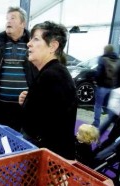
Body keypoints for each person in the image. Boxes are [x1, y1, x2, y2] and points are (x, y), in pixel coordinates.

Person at [18, 21, 77, 160]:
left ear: (53, 46)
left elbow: (31, 123)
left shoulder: (51, 75)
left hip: (50, 157)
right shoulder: (54, 72)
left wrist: (27, 103)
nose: (29, 43)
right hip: (53, 153)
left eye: (36, 39)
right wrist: (28, 100)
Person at [0, 6, 38, 132]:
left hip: (24, 108)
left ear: (23, 23)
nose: (8, 21)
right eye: (7, 19)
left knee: (22, 142)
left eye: (13, 18)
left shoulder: (33, 45)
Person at [92, 44, 118, 128]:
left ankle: (96, 123)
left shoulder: (102, 59)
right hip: (113, 86)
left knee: (98, 105)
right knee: (111, 106)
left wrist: (96, 81)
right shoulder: (117, 59)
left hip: (102, 86)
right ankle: (109, 123)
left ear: (105, 50)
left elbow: (99, 72)